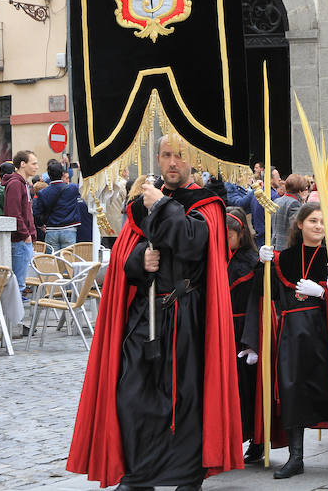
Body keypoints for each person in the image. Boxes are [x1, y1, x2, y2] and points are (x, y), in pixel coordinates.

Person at [67, 135, 242, 490]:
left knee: (186, 400)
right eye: (166, 155)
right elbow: (122, 258)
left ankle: (187, 477)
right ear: (158, 159)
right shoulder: (142, 202)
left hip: (188, 316)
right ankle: (138, 474)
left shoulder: (208, 203)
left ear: (192, 160)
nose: (173, 162)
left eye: (180, 156)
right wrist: (137, 262)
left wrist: (163, 205)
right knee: (131, 394)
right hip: (144, 316)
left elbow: (194, 244)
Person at [257, 203, 328, 479]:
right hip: (292, 330)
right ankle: (296, 456)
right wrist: (261, 263)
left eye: (323, 222)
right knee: (291, 388)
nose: (319, 226)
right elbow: (269, 291)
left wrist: (323, 291)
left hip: (321, 329)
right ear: (300, 224)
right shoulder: (285, 258)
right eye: (313, 221)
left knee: (326, 384)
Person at [225, 207, 266, 464]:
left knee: (248, 387)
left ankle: (256, 439)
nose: (226, 239)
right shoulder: (213, 258)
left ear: (241, 234)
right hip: (221, 328)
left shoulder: (251, 261)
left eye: (230, 234)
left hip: (243, 330)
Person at [4, 150, 39, 297]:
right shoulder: (16, 184)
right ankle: (14, 320)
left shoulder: (22, 183)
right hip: (20, 240)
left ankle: (15, 319)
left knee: (20, 283)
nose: (36, 167)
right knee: (18, 284)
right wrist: (26, 234)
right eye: (34, 163)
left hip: (22, 239)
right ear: (22, 164)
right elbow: (14, 213)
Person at [33, 160, 82, 252]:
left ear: (48, 174)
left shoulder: (43, 193)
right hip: (69, 229)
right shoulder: (72, 188)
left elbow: (37, 213)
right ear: (63, 174)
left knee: (52, 261)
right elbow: (84, 187)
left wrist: (41, 225)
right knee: (68, 261)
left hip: (51, 230)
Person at [271, 173, 308, 251]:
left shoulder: (277, 200)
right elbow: (296, 229)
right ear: (300, 190)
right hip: (286, 247)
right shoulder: (294, 203)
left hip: (274, 244)